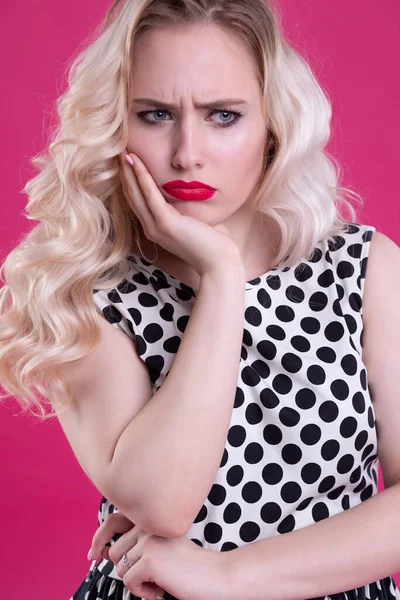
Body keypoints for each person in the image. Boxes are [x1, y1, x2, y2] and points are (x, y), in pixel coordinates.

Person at [0, 0, 399, 599]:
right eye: (156, 114)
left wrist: (228, 575)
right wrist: (220, 276)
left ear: (272, 125)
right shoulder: (81, 286)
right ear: (115, 123)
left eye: (223, 115)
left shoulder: (363, 267)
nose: (188, 151)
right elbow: (164, 505)